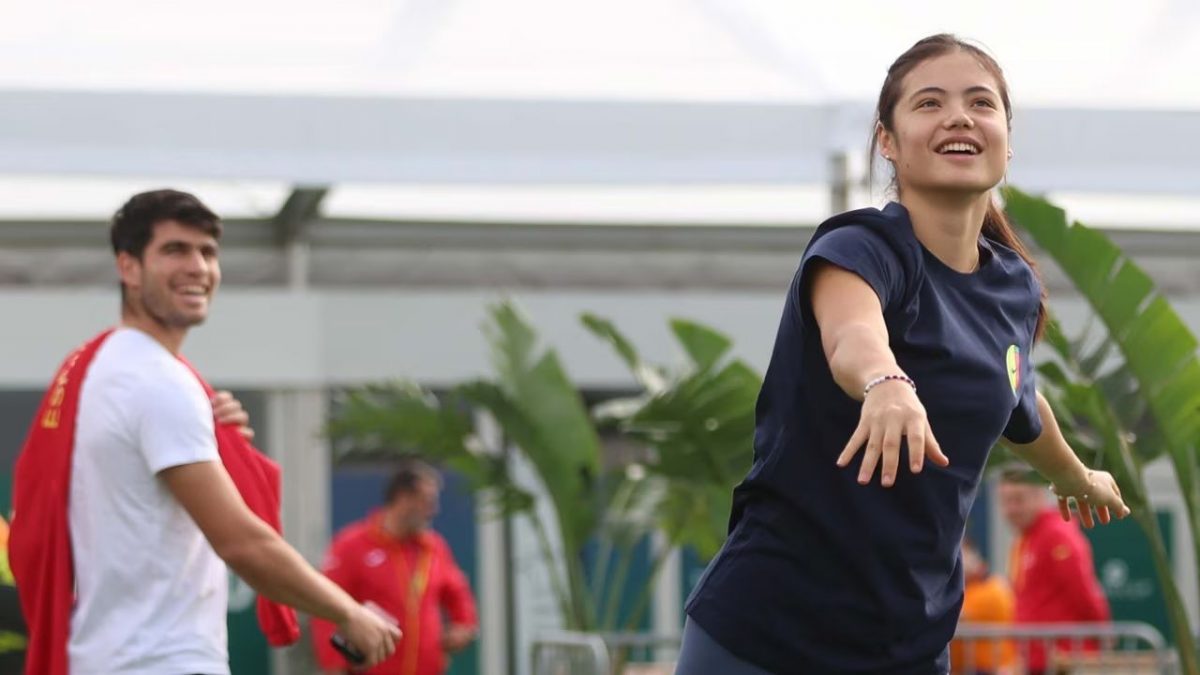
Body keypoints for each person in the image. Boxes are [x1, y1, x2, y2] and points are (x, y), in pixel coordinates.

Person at [675, 34, 1130, 675]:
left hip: (907, 647)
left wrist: (1073, 476)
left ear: (1006, 136)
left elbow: (1019, 401)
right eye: (929, 103)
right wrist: (886, 383)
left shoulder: (1013, 287)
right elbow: (852, 334)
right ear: (886, 140)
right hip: (766, 632)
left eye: (980, 103)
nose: (959, 117)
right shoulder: (861, 246)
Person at [8, 189, 399, 675]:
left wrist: (216, 441)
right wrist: (348, 611)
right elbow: (240, 542)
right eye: (175, 250)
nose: (198, 267)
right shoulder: (158, 381)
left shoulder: (99, 368)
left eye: (208, 252)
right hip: (160, 661)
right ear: (128, 268)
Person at [311, 458, 479, 675]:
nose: (434, 510)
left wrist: (463, 625)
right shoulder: (351, 545)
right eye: (427, 501)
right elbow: (326, 607)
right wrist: (333, 666)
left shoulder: (434, 547)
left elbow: (458, 592)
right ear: (403, 498)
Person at [998, 466, 1111, 674]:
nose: (1012, 509)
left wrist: (1102, 634)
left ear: (1039, 495)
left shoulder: (1057, 535)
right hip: (1038, 659)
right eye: (1006, 502)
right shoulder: (1025, 539)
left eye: (1018, 499)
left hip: (1063, 660)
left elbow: (1084, 591)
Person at [949, 538, 1016, 675]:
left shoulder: (992, 589)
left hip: (990, 669)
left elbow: (956, 616)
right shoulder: (964, 590)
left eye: (963, 552)